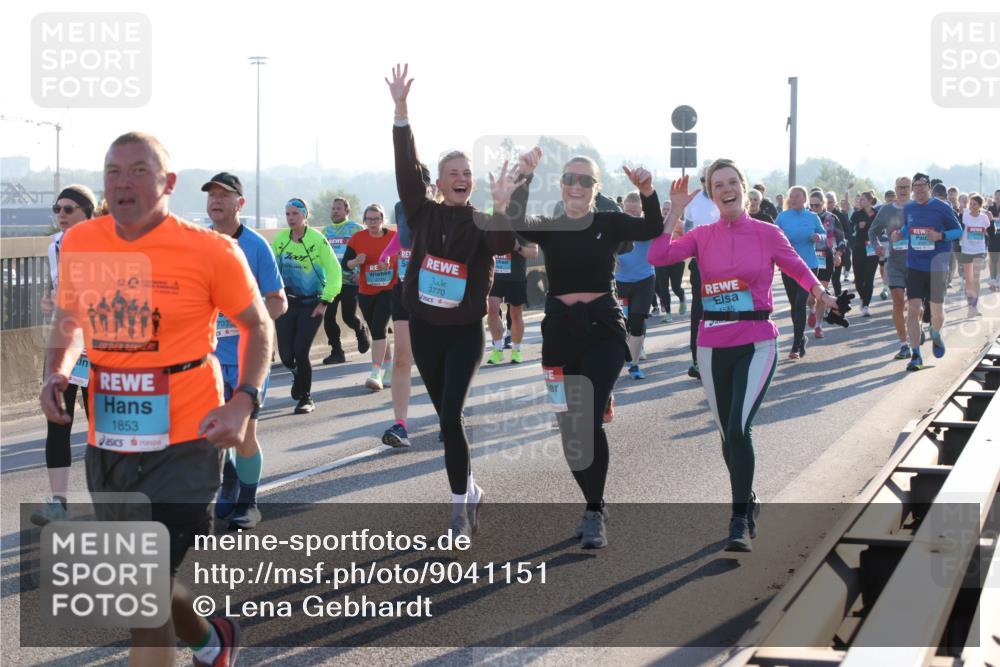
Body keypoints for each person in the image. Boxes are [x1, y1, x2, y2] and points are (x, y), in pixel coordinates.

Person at [41, 131, 272, 666]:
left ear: (168, 183)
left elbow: (257, 326)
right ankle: (211, 639)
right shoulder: (81, 242)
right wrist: (56, 369)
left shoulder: (212, 249)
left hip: (188, 438)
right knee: (141, 578)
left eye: (139, 171)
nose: (124, 183)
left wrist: (244, 401)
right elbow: (71, 317)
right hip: (110, 436)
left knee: (142, 597)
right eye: (113, 172)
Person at [649, 162, 839, 552]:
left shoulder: (768, 233)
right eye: (718, 185)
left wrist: (823, 295)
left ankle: (738, 519)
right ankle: (748, 499)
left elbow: (798, 269)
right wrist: (674, 211)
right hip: (712, 343)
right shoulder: (702, 236)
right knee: (726, 433)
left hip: (757, 341)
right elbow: (657, 256)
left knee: (738, 427)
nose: (726, 189)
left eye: (732, 182)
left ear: (743, 188)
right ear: (710, 193)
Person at [388, 64, 520, 541]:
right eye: (452, 173)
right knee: (445, 417)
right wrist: (402, 115)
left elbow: (505, 246)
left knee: (449, 417)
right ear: (439, 182)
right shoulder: (421, 212)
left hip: (465, 332)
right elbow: (407, 170)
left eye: (467, 173)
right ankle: (471, 490)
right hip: (425, 327)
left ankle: (459, 507)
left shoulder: (484, 221)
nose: (461, 178)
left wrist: (504, 204)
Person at [507, 150, 663, 549]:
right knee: (569, 426)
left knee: (587, 417)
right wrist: (523, 177)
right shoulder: (551, 225)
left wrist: (647, 191)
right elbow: (515, 222)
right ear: (560, 185)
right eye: (570, 179)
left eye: (586, 180)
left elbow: (651, 227)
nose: (577, 186)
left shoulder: (609, 222)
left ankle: (594, 511)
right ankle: (594, 500)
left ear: (596, 188)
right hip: (559, 332)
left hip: (603, 328)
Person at [204, 172, 287, 530]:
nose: (216, 201)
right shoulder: (200, 243)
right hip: (207, 358)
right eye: (211, 195)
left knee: (246, 432)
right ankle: (229, 482)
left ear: (240, 203)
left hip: (247, 356)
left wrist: (247, 322)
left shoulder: (255, 246)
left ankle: (249, 503)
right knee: (211, 432)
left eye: (224, 195)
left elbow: (279, 302)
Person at [31, 184, 98, 526]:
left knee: (102, 427)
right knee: (57, 421)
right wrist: (50, 300)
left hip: (101, 346)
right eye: (57, 209)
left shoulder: (107, 243)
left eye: (69, 209)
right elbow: (61, 292)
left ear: (88, 212)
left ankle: (109, 503)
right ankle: (58, 502)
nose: (61, 215)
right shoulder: (54, 246)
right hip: (66, 344)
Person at [272, 198, 342, 413]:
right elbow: (270, 270)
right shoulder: (281, 239)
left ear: (304, 215)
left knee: (301, 352)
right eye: (287, 214)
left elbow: (335, 273)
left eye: (295, 214)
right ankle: (297, 376)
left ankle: (306, 398)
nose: (291, 218)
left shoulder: (317, 240)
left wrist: (325, 302)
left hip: (312, 304)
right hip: (287, 304)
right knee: (286, 356)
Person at [891, 173, 962, 371]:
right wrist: (900, 234)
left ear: (929, 187)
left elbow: (959, 231)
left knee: (937, 312)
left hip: (937, 266)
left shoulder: (942, 207)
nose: (919, 189)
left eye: (923, 186)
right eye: (916, 186)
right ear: (913, 189)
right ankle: (916, 356)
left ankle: (936, 334)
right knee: (913, 310)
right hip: (914, 265)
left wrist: (940, 235)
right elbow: (908, 227)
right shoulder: (910, 207)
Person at [343, 203, 398, 390]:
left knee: (378, 327)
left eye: (376, 219)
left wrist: (389, 264)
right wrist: (356, 261)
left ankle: (375, 373)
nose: (372, 223)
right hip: (366, 292)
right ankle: (389, 369)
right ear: (364, 220)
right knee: (378, 332)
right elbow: (345, 265)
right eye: (369, 219)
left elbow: (407, 259)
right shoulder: (357, 239)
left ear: (383, 220)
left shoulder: (393, 237)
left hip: (389, 290)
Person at [775, 186, 825, 359]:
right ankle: (801, 337)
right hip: (789, 266)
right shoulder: (782, 217)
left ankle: (795, 345)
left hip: (809, 266)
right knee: (794, 305)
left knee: (799, 302)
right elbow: (773, 236)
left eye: (797, 196)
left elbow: (823, 234)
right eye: (791, 196)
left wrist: (819, 237)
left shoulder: (812, 216)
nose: (794, 199)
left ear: (804, 199)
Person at [615, 191, 659, 379]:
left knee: (637, 321)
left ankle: (633, 365)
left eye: (635, 211)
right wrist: (612, 258)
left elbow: (665, 234)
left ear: (641, 209)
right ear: (623, 208)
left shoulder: (647, 226)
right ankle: (630, 349)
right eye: (628, 211)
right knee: (621, 324)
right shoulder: (616, 226)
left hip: (644, 280)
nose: (631, 215)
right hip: (620, 282)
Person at [322, 197, 371, 364]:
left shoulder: (356, 229)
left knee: (348, 317)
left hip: (351, 281)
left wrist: (360, 273)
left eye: (338, 208)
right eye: (333, 208)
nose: (335, 211)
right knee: (328, 317)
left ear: (347, 212)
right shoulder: (326, 231)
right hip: (331, 282)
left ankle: (360, 329)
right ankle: (337, 352)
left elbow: (366, 252)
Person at [870, 177, 914, 359]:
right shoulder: (886, 210)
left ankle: (915, 332)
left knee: (915, 306)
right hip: (895, 262)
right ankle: (904, 345)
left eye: (906, 187)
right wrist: (876, 245)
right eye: (899, 187)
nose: (903, 190)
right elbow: (873, 230)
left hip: (915, 262)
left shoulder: (917, 207)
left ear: (911, 189)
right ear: (895, 189)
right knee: (897, 303)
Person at [683, 172, 721, 378]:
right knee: (699, 310)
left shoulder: (725, 197)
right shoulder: (695, 200)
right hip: (701, 264)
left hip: (727, 265)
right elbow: (688, 227)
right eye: (707, 180)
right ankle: (697, 360)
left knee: (723, 308)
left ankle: (722, 355)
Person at [486, 231, 538, 365]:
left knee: (515, 315)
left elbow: (534, 253)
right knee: (492, 310)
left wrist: (518, 247)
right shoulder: (492, 224)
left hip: (516, 277)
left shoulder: (524, 226)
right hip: (496, 277)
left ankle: (516, 351)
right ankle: (497, 349)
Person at [808, 191, 846, 338]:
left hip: (825, 258)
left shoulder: (831, 218)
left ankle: (818, 325)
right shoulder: (806, 217)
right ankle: (811, 308)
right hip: (808, 258)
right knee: (810, 296)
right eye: (810, 205)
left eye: (816, 205)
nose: (813, 208)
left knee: (821, 292)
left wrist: (838, 254)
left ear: (823, 204)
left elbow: (841, 238)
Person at [958, 193, 993, 317]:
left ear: (980, 206)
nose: (972, 206)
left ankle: (974, 306)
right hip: (967, 250)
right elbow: (959, 226)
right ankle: (970, 305)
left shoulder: (984, 217)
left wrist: (984, 232)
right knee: (969, 280)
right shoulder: (964, 215)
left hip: (979, 249)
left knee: (976, 278)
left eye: (975, 204)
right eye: (971, 203)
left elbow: (989, 232)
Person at [654, 199, 686, 323]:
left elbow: (687, 241)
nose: (666, 211)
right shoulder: (657, 224)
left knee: (675, 287)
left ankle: (682, 297)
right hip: (661, 261)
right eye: (664, 209)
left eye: (669, 209)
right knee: (663, 288)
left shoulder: (680, 224)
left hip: (677, 260)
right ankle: (668, 314)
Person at [849, 191, 880, 316]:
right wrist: (857, 226)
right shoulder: (857, 214)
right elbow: (850, 229)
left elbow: (882, 228)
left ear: (869, 200)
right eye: (860, 199)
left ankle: (866, 305)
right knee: (859, 280)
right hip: (859, 248)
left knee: (869, 278)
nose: (860, 201)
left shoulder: (877, 214)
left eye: (862, 199)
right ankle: (863, 298)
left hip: (872, 248)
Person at [988, 189, 1000, 290]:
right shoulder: (990, 207)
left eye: (999, 196)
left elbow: (992, 219)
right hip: (992, 235)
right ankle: (992, 278)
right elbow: (987, 219)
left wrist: (994, 219)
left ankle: (998, 278)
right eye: (996, 195)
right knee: (992, 259)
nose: (998, 197)